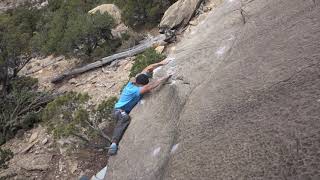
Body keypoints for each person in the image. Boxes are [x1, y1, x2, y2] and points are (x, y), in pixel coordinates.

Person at [108, 59, 171, 155]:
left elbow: (148, 68)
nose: (142, 88)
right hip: (118, 111)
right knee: (125, 118)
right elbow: (150, 86)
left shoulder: (136, 80)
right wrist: (165, 77)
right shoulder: (134, 90)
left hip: (119, 110)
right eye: (142, 86)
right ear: (141, 84)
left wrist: (161, 63)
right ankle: (113, 144)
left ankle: (114, 141)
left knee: (123, 118)